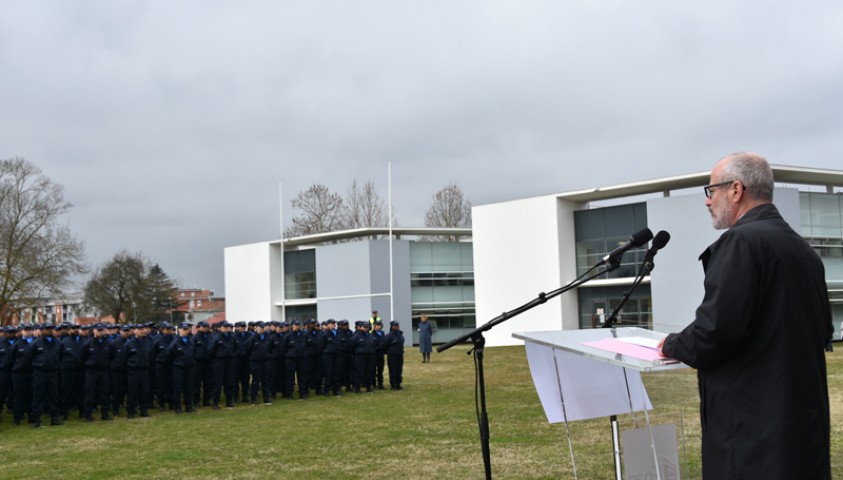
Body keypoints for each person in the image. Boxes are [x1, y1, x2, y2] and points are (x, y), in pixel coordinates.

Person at [658, 152, 832, 479]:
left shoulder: (740, 242)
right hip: (802, 435)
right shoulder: (805, 252)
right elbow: (823, 331)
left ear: (736, 190)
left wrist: (671, 344)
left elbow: (714, 333)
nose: (708, 202)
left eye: (711, 191)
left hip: (753, 438)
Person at [383, 321, 405, 390]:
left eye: (397, 325)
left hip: (399, 355)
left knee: (399, 370)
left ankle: (398, 383)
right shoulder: (389, 336)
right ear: (392, 326)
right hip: (392, 356)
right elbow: (384, 346)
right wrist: (389, 352)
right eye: (395, 325)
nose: (397, 327)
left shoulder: (400, 335)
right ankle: (393, 384)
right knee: (393, 370)